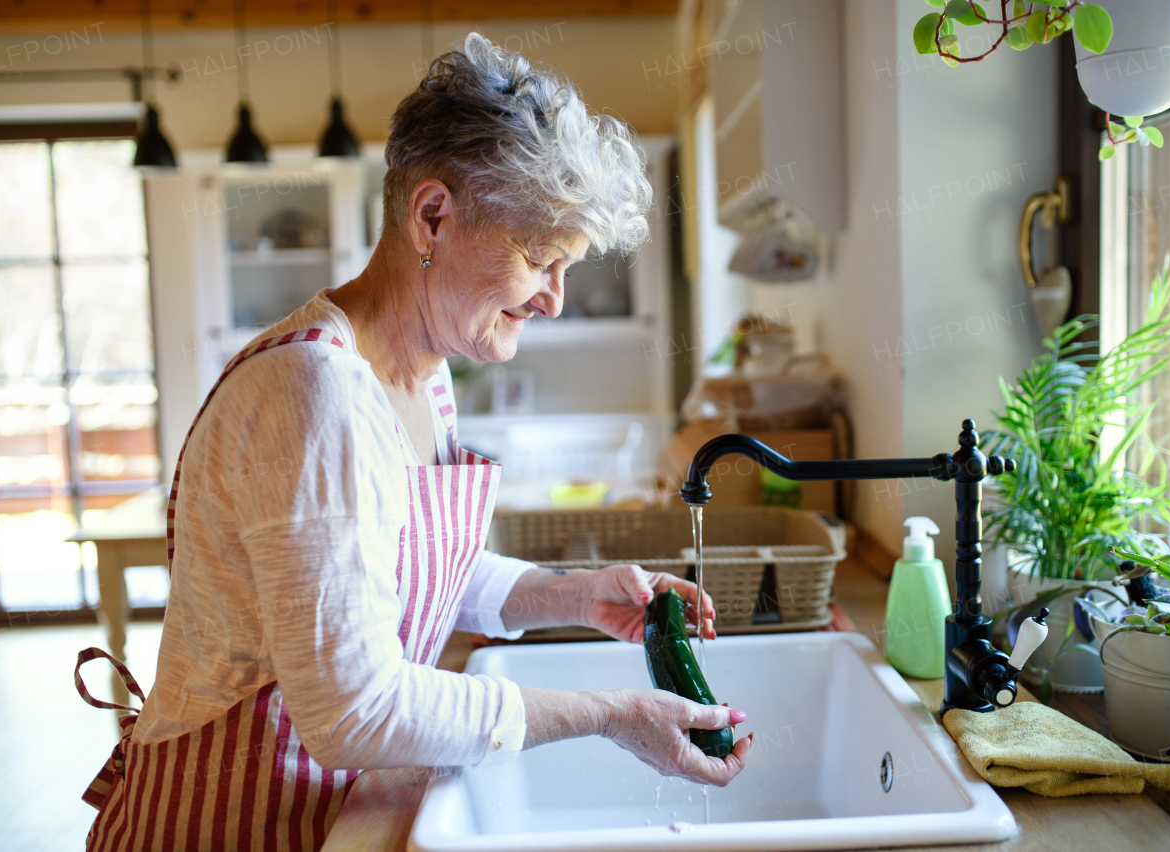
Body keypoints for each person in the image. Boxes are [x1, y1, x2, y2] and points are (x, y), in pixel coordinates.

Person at [74, 33, 750, 851]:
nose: (554, 300)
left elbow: (406, 568)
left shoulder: (423, 374)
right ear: (433, 215)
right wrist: (610, 715)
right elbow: (354, 710)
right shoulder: (317, 393)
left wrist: (574, 595)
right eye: (540, 258)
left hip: (330, 812)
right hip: (230, 823)